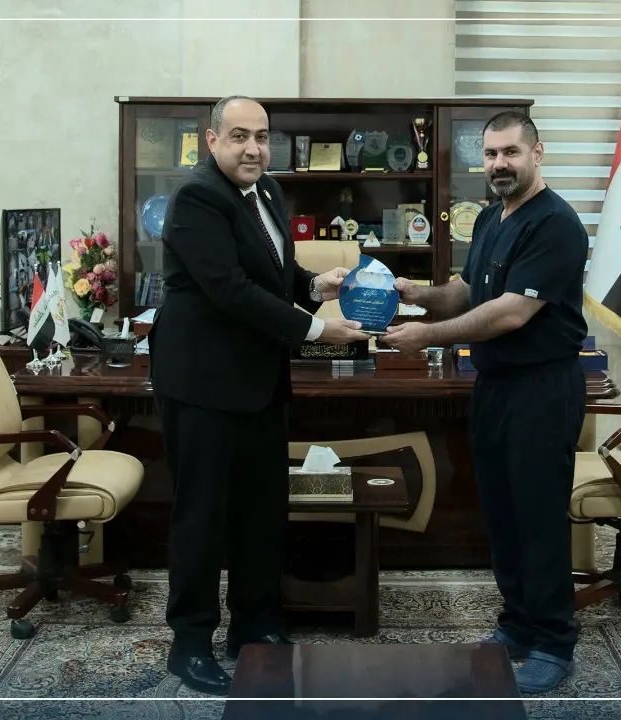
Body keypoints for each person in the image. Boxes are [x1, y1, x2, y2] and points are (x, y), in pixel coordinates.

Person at [148, 95, 369, 695]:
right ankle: (190, 642)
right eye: (239, 136)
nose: (253, 149)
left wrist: (314, 285)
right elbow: (230, 289)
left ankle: (254, 624)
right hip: (202, 382)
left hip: (260, 380)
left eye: (262, 137)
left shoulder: (267, 191)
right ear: (211, 140)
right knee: (203, 515)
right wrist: (317, 329)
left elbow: (273, 274)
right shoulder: (197, 198)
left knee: (261, 509)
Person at [383, 111, 587, 694]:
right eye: (491, 154)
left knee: (538, 516)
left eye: (510, 152)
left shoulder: (556, 224)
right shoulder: (493, 218)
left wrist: (428, 336)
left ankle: (553, 641)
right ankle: (518, 624)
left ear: (536, 154)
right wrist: (419, 294)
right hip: (496, 385)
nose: (499, 164)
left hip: (541, 388)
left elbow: (511, 312)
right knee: (501, 513)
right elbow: (472, 292)